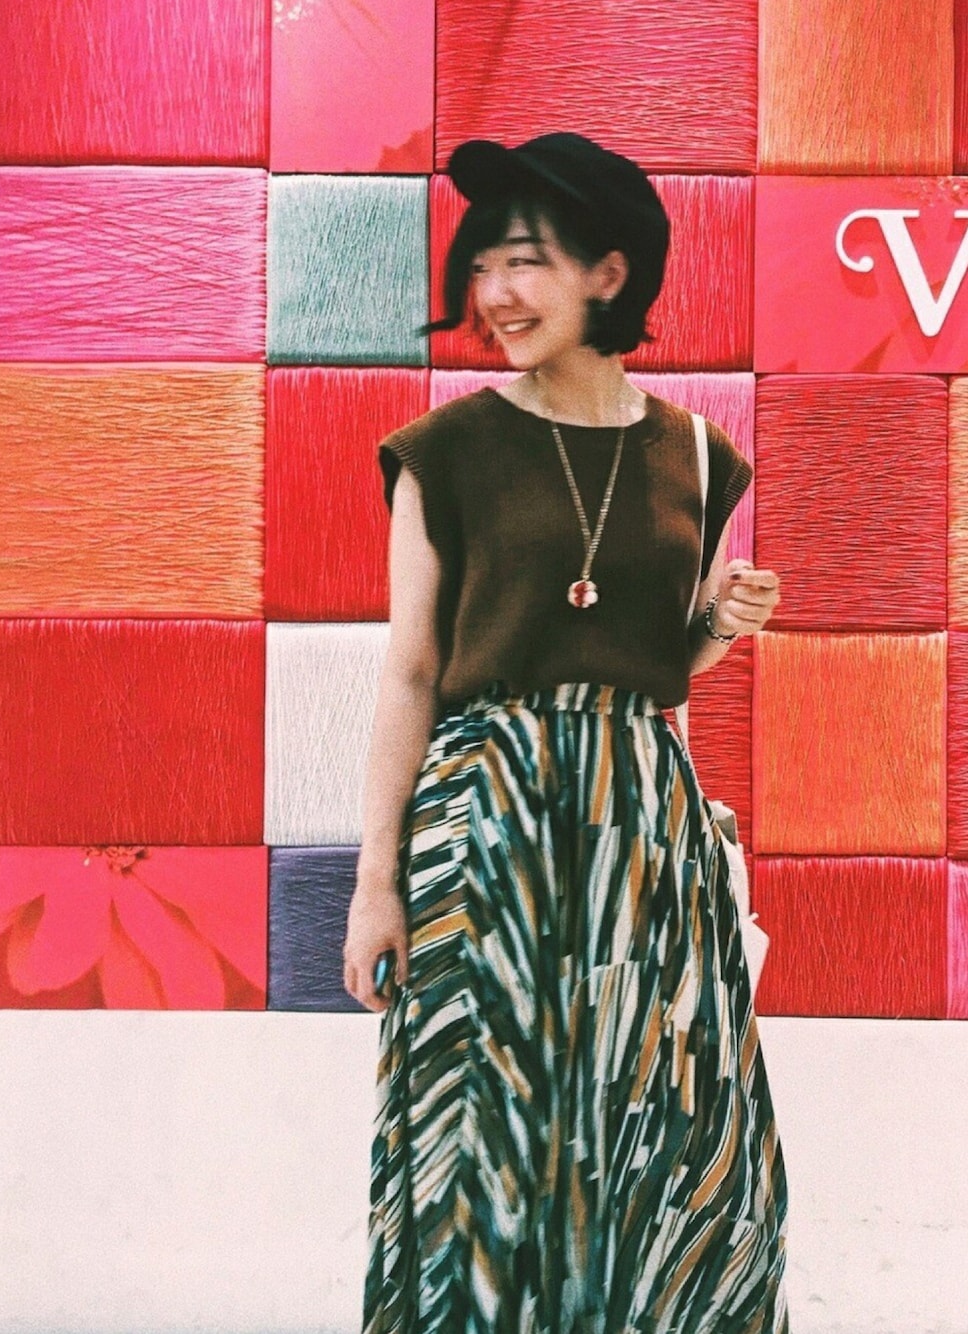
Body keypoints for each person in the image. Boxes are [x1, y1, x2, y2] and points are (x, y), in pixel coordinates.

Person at [343, 131, 789, 1333]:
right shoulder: (446, 451)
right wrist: (375, 882)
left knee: (668, 1118)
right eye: (483, 264)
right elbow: (412, 670)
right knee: (482, 1124)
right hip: (487, 816)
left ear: (608, 271)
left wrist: (717, 623)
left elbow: (658, 674)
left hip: (641, 824)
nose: (495, 291)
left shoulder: (695, 453)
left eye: (525, 260)